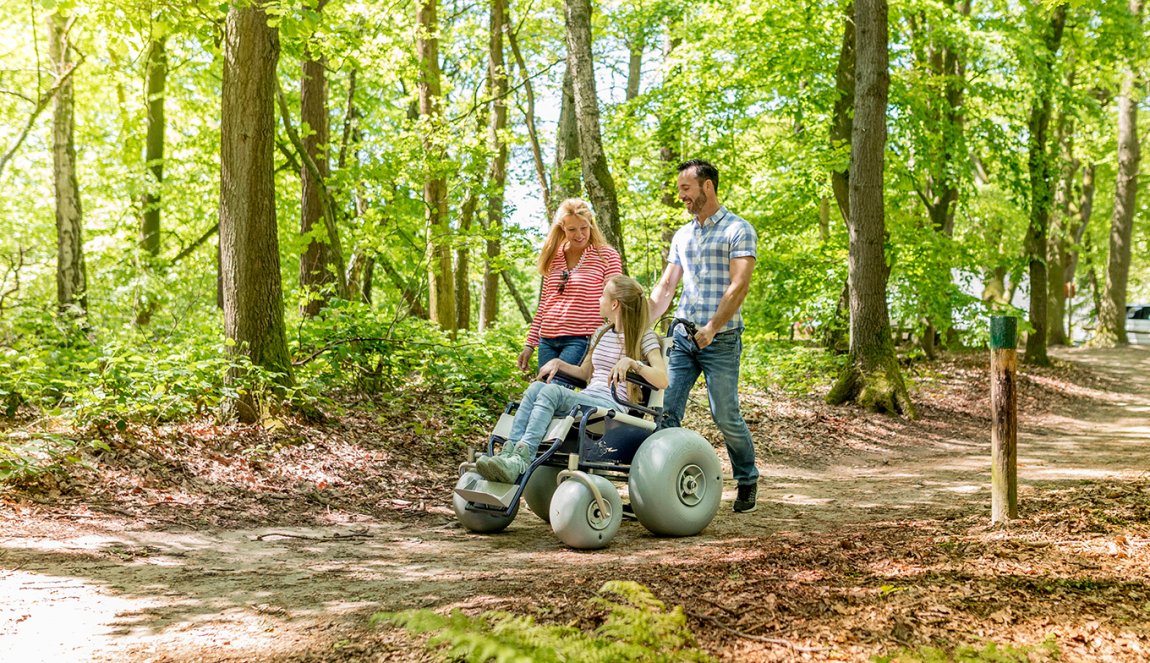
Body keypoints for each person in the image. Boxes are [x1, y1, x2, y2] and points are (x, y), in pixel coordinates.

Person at [648, 159, 760, 513]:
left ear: (707, 187)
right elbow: (667, 287)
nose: (681, 196)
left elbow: (739, 285)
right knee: (665, 411)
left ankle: (747, 479)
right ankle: (656, 485)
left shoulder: (738, 230)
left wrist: (712, 328)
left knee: (725, 414)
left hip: (721, 339)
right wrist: (639, 328)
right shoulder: (683, 235)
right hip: (682, 336)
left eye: (686, 189)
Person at [478, 275, 667, 483]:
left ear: (615, 304)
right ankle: (508, 455)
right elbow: (585, 373)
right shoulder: (601, 333)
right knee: (535, 388)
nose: (598, 299)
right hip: (588, 398)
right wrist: (559, 364)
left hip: (611, 406)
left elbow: (662, 379)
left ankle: (522, 459)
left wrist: (633, 363)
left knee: (552, 391)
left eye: (603, 295)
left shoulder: (645, 337)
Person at [518, 199, 623, 376]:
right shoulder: (554, 256)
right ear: (562, 228)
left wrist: (617, 341)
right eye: (572, 229)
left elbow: (617, 302)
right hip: (547, 339)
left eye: (584, 228)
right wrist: (530, 344)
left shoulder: (607, 256)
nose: (579, 234)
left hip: (582, 338)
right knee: (543, 388)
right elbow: (545, 303)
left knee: (555, 389)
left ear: (591, 225)